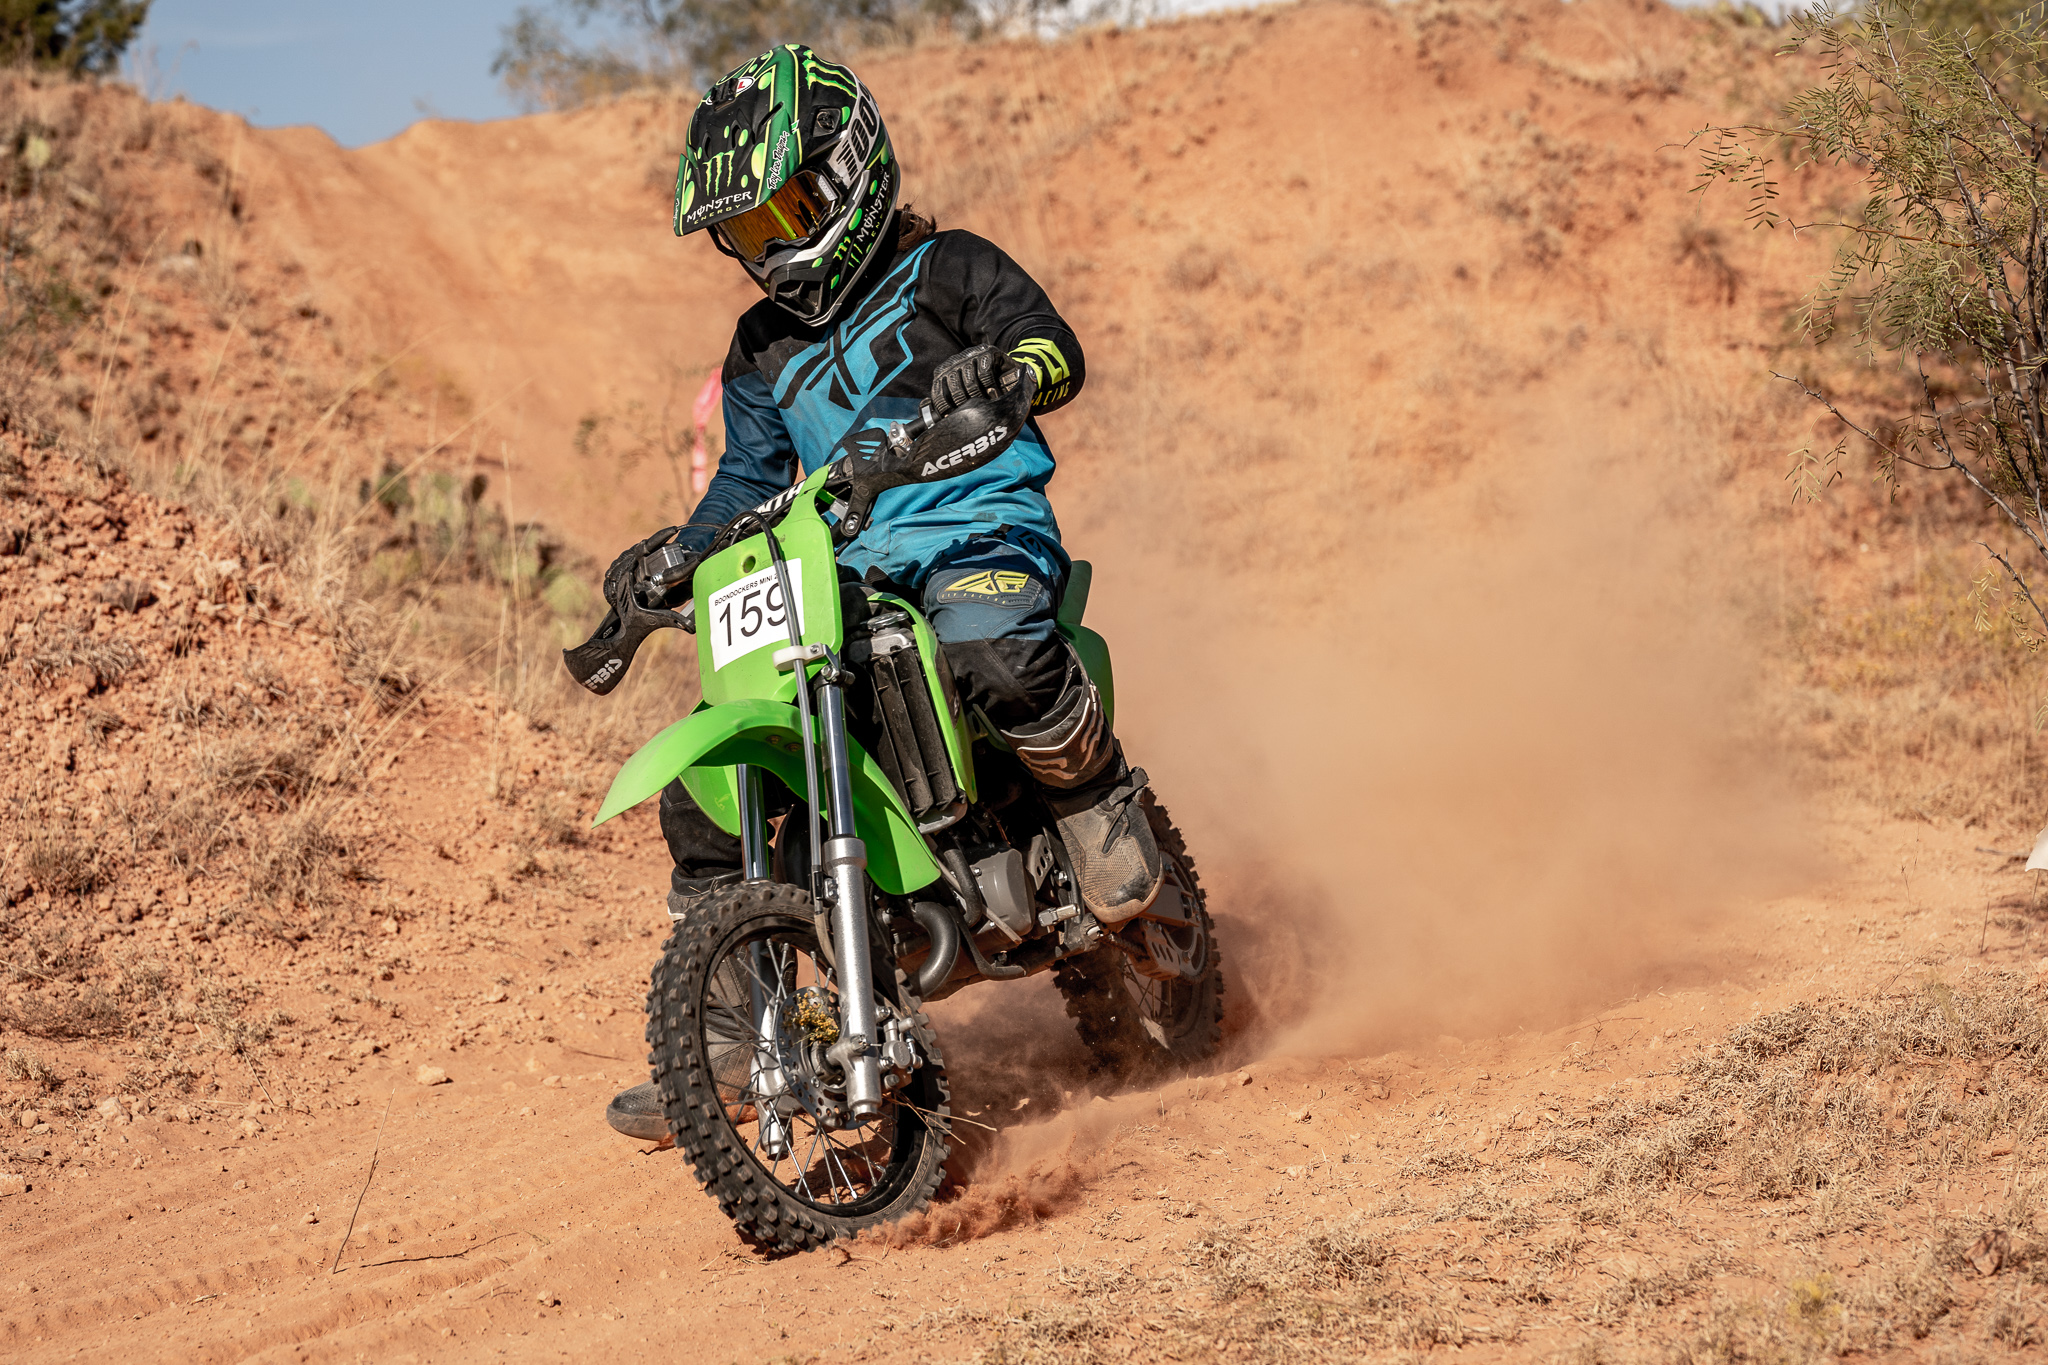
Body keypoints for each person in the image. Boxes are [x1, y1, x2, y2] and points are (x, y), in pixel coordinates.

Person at [600, 45, 1159, 1140]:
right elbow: (748, 480)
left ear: (850, 172)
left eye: (786, 214)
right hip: (839, 566)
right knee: (708, 786)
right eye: (747, 232)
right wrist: (677, 552)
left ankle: (1095, 806)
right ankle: (733, 1035)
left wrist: (1001, 373)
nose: (771, 250)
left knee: (993, 648)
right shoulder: (760, 347)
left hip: (973, 523)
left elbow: (1051, 346)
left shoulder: (948, 266)